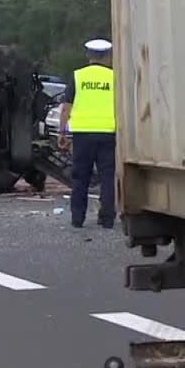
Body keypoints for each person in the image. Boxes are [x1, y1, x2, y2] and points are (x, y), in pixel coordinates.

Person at [58, 39, 116, 228]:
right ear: (107, 56)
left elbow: (66, 108)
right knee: (108, 177)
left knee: (80, 177)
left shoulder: (78, 76)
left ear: (88, 56)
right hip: (108, 134)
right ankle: (107, 219)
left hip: (82, 135)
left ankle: (77, 219)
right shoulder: (114, 77)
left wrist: (63, 132)